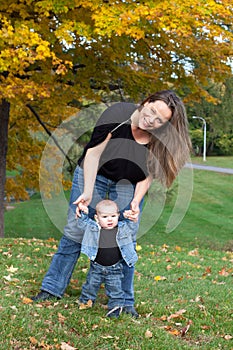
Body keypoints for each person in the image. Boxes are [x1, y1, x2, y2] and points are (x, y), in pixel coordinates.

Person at [31, 90, 192, 317]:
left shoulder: (158, 137)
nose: (152, 120)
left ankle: (124, 301)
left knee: (124, 238)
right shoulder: (117, 115)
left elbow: (149, 174)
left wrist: (136, 201)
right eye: (152, 111)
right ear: (146, 101)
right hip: (94, 174)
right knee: (76, 230)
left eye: (160, 120)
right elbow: (93, 156)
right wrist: (87, 192)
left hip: (128, 184)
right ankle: (51, 288)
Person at [77, 199, 139, 318]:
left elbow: (133, 228)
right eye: (105, 217)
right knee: (90, 285)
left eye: (113, 216)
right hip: (96, 267)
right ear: (97, 218)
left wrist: (131, 218)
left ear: (118, 216)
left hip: (115, 268)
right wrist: (83, 211)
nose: (110, 219)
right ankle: (85, 302)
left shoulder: (122, 228)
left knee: (115, 289)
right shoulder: (93, 228)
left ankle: (115, 308)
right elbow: (82, 223)